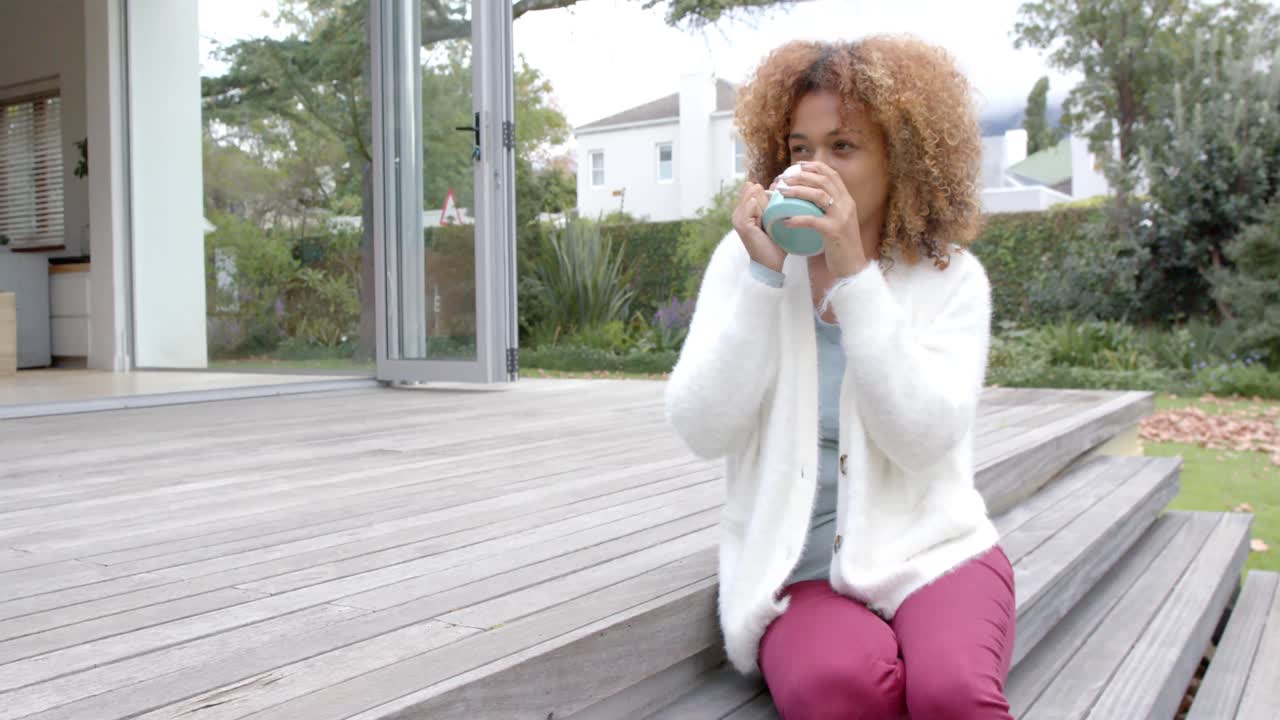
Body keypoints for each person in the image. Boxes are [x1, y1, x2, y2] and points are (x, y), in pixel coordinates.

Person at [664, 36, 1015, 720]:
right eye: (801, 149)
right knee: (841, 690)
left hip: (932, 550)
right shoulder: (745, 265)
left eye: (843, 147)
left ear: (901, 161)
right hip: (797, 569)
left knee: (951, 695)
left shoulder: (952, 280)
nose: (814, 168)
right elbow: (701, 429)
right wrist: (764, 282)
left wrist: (855, 276)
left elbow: (924, 439)